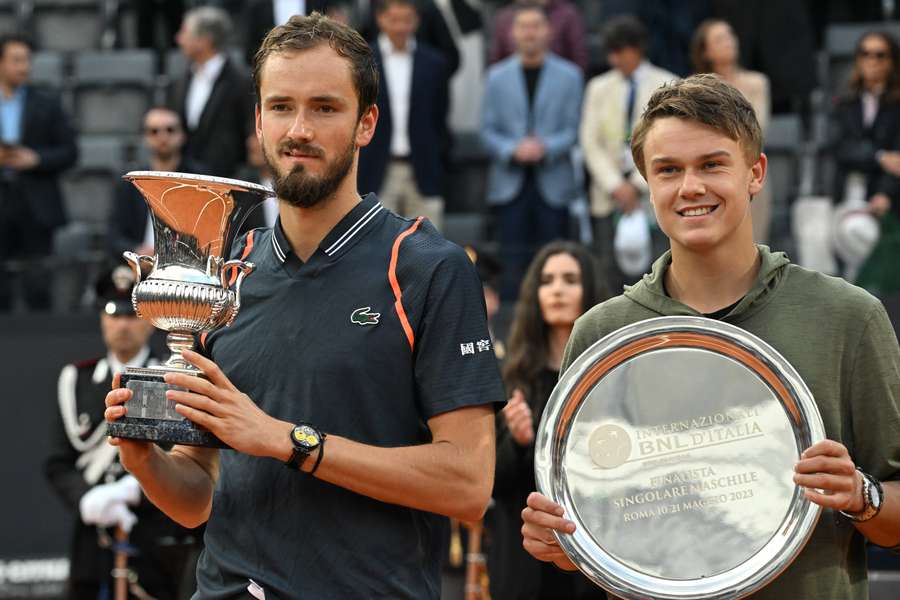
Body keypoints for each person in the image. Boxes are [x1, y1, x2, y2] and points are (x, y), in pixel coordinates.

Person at [105, 12, 502, 599]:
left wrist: (288, 441)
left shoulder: (427, 267)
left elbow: (467, 484)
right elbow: (197, 497)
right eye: (283, 107)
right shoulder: (224, 274)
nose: (300, 129)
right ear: (260, 121)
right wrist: (141, 457)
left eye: (325, 107)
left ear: (367, 123)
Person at [521, 74, 900, 599]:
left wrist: (862, 495)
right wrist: (565, 542)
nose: (690, 187)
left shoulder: (847, 318)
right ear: (648, 184)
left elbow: (894, 514)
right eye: (669, 170)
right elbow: (599, 524)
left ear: (756, 172)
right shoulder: (603, 336)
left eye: (712, 164)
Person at [45, 263, 200, 600]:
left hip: (155, 538)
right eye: (114, 315)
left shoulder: (171, 378)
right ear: (102, 318)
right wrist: (88, 498)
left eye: (132, 315)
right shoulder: (78, 380)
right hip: (92, 537)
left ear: (148, 320)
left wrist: (134, 488)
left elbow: (188, 459)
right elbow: (58, 463)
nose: (123, 325)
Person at [489, 241, 605, 600]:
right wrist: (519, 442)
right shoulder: (511, 379)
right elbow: (492, 484)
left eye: (570, 279)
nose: (557, 289)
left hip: (596, 555)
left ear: (588, 291)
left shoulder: (609, 374)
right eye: (548, 280)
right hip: (524, 565)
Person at [481, 2, 583, 300]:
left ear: (548, 31)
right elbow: (487, 130)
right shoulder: (496, 77)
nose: (530, 33)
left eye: (536, 26)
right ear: (512, 32)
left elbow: (573, 128)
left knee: (555, 259)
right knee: (511, 265)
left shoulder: (570, 76)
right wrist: (512, 149)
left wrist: (545, 147)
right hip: (509, 183)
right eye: (523, 26)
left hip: (553, 182)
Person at [580, 15, 676, 295]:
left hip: (651, 193)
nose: (615, 59)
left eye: (620, 51)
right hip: (607, 196)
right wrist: (615, 185)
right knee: (608, 274)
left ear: (637, 49)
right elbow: (589, 142)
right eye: (611, 52)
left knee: (659, 271)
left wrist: (636, 183)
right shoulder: (598, 87)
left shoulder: (668, 83)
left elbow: (669, 142)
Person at [357, 0, 451, 230]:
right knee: (375, 246)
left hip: (423, 169)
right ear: (380, 19)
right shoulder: (361, 62)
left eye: (407, 20)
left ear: (417, 21)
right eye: (394, 20)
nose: (401, 27)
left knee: (428, 247)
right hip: (375, 169)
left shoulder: (434, 63)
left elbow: (440, 117)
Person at [0, 33, 77, 311]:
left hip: (35, 201)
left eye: (27, 60)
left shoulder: (47, 102)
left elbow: (70, 152)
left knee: (38, 282)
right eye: (16, 60)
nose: (24, 67)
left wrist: (35, 159)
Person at [690, 18, 772, 243]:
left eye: (730, 36)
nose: (729, 42)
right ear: (705, 52)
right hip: (709, 172)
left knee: (754, 243)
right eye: (719, 39)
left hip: (749, 168)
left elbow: (756, 128)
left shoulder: (757, 83)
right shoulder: (695, 88)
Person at [173, 6, 253, 179]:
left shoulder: (241, 81)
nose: (178, 39)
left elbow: (248, 131)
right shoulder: (182, 79)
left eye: (184, 32)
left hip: (228, 181)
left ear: (204, 40)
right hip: (189, 180)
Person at [829, 31, 900, 220]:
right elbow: (839, 146)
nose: (872, 60)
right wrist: (879, 156)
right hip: (845, 190)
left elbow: (898, 160)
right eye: (865, 53)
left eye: (880, 55)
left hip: (885, 198)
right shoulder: (843, 100)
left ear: (892, 61)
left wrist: (886, 194)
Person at [489, 0, 588, 74]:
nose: (530, 33)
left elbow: (579, 58)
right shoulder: (505, 17)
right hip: (512, 85)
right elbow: (496, 61)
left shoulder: (567, 15)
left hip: (558, 86)